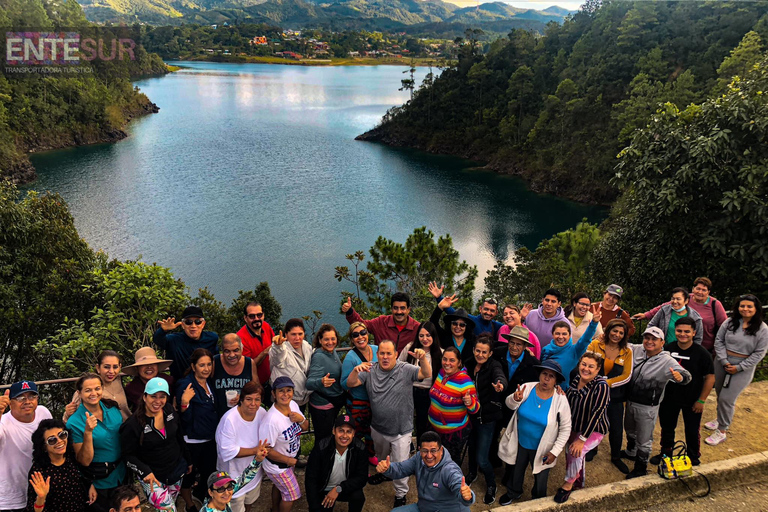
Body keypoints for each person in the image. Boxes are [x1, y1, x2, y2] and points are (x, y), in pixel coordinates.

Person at [346, 339, 431, 508]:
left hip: (402, 429)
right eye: (382, 353)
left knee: (400, 464)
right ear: (377, 355)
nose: (385, 357)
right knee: (381, 456)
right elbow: (351, 383)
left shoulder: (405, 369)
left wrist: (422, 359)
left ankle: (401, 494)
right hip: (378, 427)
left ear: (396, 355)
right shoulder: (370, 369)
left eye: (389, 353)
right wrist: (355, 370)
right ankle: (385, 474)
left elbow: (425, 374)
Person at [497, 360, 571, 505]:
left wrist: (555, 451)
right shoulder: (527, 388)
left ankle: (537, 500)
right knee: (516, 470)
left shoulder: (560, 399)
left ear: (556, 381)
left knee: (541, 477)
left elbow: (566, 428)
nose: (546, 379)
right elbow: (509, 404)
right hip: (521, 441)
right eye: (544, 374)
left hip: (543, 448)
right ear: (539, 374)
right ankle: (513, 492)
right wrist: (514, 398)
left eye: (551, 376)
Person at [622, 326, 691, 479]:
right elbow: (618, 343)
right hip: (630, 400)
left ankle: (641, 467)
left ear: (662, 342)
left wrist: (680, 377)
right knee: (629, 429)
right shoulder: (636, 349)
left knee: (644, 438)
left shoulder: (667, 360)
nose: (649, 341)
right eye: (647, 338)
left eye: (654, 339)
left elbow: (686, 376)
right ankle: (631, 451)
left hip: (648, 406)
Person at [120, 377, 192, 512]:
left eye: (162, 396)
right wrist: (144, 471)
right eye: (153, 396)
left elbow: (178, 436)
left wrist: (188, 461)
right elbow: (127, 455)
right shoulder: (133, 425)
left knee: (171, 504)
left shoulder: (169, 410)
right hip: (153, 478)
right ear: (145, 397)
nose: (158, 401)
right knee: (168, 510)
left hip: (175, 471)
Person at [649, 317, 714, 466]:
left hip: (692, 399)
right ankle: (666, 453)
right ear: (674, 331)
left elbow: (710, 378)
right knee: (667, 428)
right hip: (669, 398)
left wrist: (701, 400)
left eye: (687, 331)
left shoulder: (702, 353)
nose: (683, 334)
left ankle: (693, 455)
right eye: (679, 331)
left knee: (692, 429)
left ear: (693, 332)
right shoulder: (667, 349)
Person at [705, 294, 768, 446]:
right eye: (742, 306)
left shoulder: (762, 329)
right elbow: (719, 341)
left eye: (749, 306)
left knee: (727, 398)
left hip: (743, 367)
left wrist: (740, 367)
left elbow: (760, 353)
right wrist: (724, 361)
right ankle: (720, 418)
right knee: (720, 393)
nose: (745, 309)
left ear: (756, 309)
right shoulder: (730, 322)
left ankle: (722, 430)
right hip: (722, 362)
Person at [554, 352, 610, 504]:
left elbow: (597, 412)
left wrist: (582, 439)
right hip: (575, 424)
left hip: (594, 429)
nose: (586, 369)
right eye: (584, 364)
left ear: (598, 369)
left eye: (591, 366)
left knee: (575, 451)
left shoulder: (601, 386)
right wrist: (562, 394)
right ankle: (579, 481)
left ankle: (568, 484)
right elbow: (571, 399)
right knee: (573, 453)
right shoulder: (576, 378)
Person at [65, 373, 126, 512]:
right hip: (99, 482)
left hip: (121, 475)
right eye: (88, 390)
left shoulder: (113, 409)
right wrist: (88, 432)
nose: (93, 393)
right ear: (79, 393)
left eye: (97, 388)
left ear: (102, 389)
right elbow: (83, 461)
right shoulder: (74, 422)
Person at [374, 431, 475, 512]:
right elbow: (401, 469)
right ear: (419, 449)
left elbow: (458, 485)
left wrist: (467, 496)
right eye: (425, 451)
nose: (429, 455)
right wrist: (388, 468)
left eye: (433, 450)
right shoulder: (418, 458)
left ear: (441, 449)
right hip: (423, 508)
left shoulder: (450, 469)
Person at [464, 334, 507, 505]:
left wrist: (500, 385)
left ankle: (491, 484)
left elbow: (500, 377)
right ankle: (472, 474)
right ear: (473, 350)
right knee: (471, 449)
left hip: (487, 418)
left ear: (490, 354)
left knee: (483, 457)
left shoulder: (494, 366)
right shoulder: (468, 363)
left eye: (484, 352)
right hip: (470, 416)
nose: (480, 355)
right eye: (478, 351)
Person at [632, 277, 728, 353]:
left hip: (704, 347)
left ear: (708, 292)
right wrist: (646, 315)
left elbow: (723, 326)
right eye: (698, 288)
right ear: (693, 289)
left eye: (703, 290)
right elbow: (663, 307)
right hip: (664, 350)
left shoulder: (712, 306)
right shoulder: (671, 306)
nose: (700, 292)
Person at [587, 319, 633, 473]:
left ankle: (615, 456)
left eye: (621, 332)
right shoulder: (595, 345)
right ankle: (592, 449)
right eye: (614, 331)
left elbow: (627, 376)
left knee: (616, 427)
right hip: (595, 393)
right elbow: (585, 364)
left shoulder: (627, 351)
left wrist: (607, 383)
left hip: (616, 395)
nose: (617, 335)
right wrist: (597, 383)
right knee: (594, 421)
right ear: (608, 331)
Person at [491, 326, 541, 470]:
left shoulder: (533, 364)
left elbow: (541, 381)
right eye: (512, 343)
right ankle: (493, 460)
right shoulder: (497, 354)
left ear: (525, 346)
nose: (514, 347)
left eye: (519, 344)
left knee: (513, 438)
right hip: (496, 401)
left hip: (517, 406)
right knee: (493, 433)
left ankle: (510, 470)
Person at [0, 380, 53, 512]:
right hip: (10, 499)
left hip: (39, 492)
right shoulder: (3, 423)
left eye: (32, 396)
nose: (27, 401)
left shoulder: (43, 413)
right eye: (20, 398)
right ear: (10, 403)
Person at [215, 381, 268, 512]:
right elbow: (227, 451)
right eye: (249, 399)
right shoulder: (230, 420)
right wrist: (256, 450)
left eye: (257, 399)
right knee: (235, 506)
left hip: (253, 472)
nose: (253, 404)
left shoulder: (262, 412)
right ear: (241, 399)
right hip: (233, 475)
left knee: (250, 501)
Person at [258, 377, 309, 512]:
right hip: (278, 465)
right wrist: (289, 460)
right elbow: (266, 450)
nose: (285, 394)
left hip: (288, 461)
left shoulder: (293, 405)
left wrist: (301, 419)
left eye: (289, 390)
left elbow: (305, 427)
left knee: (280, 487)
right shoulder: (271, 421)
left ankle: (275, 509)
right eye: (281, 391)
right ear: (274, 394)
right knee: (292, 495)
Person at [176, 348, 218, 509]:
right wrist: (184, 404)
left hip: (209, 438)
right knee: (188, 475)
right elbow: (184, 417)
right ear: (193, 367)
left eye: (209, 364)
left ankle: (204, 500)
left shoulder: (210, 382)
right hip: (192, 440)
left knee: (209, 473)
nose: (206, 368)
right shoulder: (186, 384)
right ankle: (189, 504)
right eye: (202, 365)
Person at [26, 419, 96, 512]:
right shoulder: (38, 472)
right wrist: (41, 498)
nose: (59, 441)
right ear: (44, 447)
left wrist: (90, 485)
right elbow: (33, 509)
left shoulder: (70, 456)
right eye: (52, 440)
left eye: (62, 435)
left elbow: (82, 474)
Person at [305, 415, 368, 512]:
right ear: (334, 431)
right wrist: (314, 505)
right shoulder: (321, 447)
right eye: (341, 430)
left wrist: (339, 488)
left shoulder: (360, 448)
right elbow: (311, 478)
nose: (344, 436)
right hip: (324, 488)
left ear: (353, 433)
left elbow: (362, 477)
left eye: (349, 431)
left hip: (345, 488)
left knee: (358, 497)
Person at [428, 347, 479, 466]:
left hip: (453, 433)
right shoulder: (441, 373)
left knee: (449, 464)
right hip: (434, 428)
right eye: (445, 359)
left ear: (459, 362)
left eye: (452, 360)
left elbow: (475, 409)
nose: (447, 363)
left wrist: (469, 401)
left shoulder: (465, 382)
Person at [398, 321, 443, 443]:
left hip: (429, 393)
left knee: (423, 423)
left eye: (428, 335)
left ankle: (421, 448)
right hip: (409, 390)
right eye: (421, 335)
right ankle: (406, 446)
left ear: (434, 336)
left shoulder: (440, 353)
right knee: (405, 421)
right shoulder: (409, 349)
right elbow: (397, 366)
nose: (425, 339)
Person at [340, 322, 378, 464]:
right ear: (352, 339)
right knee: (356, 432)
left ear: (367, 334)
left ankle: (370, 454)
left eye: (363, 333)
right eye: (355, 335)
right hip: (358, 402)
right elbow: (344, 384)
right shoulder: (351, 357)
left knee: (372, 430)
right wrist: (356, 371)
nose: (360, 337)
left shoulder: (377, 350)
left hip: (375, 400)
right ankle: (355, 459)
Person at [540, 309, 601, 390]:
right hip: (544, 388)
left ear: (569, 335)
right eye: (557, 333)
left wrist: (594, 323)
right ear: (552, 335)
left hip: (564, 392)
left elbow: (584, 340)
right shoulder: (545, 349)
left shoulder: (575, 350)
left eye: (564, 334)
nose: (561, 337)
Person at [200, 441, 270, 512]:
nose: (227, 493)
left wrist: (257, 460)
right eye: (220, 489)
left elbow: (245, 477)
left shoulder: (220, 496)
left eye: (229, 487)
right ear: (210, 492)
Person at [154, 305, 219, 381]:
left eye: (198, 322)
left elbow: (216, 360)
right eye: (189, 322)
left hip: (207, 384)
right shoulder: (174, 340)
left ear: (203, 324)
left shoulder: (212, 338)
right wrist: (163, 330)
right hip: (182, 385)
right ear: (183, 325)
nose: (193, 326)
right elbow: (157, 339)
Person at [341, 293, 420, 353]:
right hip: (382, 370)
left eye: (402, 308)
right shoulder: (381, 322)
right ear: (391, 309)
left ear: (408, 309)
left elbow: (430, 338)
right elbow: (360, 325)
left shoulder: (416, 328)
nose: (399, 312)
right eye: (396, 308)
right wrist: (350, 311)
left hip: (406, 371)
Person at [64, 350, 131, 422]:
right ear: (98, 367)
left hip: (127, 427)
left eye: (115, 367)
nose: (111, 371)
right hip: (103, 430)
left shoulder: (117, 381)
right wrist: (67, 414)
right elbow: (69, 420)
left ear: (120, 367)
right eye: (107, 367)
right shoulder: (87, 390)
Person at [306, 324, 345, 444]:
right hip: (323, 406)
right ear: (320, 340)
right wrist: (321, 381)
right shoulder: (319, 357)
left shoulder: (331, 352)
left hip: (332, 403)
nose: (330, 342)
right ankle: (318, 462)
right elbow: (309, 383)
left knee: (328, 438)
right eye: (326, 339)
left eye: (333, 339)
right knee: (323, 441)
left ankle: (325, 460)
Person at [429, 282, 503, 337]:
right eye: (486, 309)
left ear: (496, 313)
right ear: (480, 309)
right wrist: (439, 298)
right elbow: (452, 312)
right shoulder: (471, 320)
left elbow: (511, 328)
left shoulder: (497, 326)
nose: (488, 313)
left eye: (492, 311)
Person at [269, 319, 314, 410]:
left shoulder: (307, 347)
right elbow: (278, 358)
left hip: (303, 399)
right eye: (293, 334)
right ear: (286, 335)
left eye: (300, 334)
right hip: (285, 400)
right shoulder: (282, 349)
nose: (297, 338)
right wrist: (278, 346)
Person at [212, 334, 259, 418]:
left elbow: (257, 390)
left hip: (242, 417)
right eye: (227, 351)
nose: (232, 355)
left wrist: (242, 397)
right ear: (222, 351)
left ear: (242, 349)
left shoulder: (249, 363)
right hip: (217, 417)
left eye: (236, 350)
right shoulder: (215, 362)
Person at [237, 302, 275, 396]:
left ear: (263, 315)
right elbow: (247, 366)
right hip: (255, 387)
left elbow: (274, 346)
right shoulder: (241, 338)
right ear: (245, 318)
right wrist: (265, 352)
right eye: (252, 316)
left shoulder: (266, 326)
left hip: (271, 381)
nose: (256, 319)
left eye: (259, 315)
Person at [430, 294, 476, 363]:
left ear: (466, 327)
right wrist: (440, 307)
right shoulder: (444, 337)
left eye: (462, 325)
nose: (458, 327)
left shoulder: (473, 340)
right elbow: (433, 323)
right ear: (450, 324)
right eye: (455, 323)